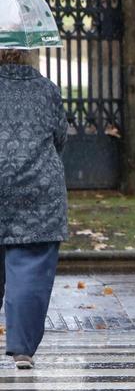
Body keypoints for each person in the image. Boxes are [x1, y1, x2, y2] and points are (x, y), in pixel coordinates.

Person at [0, 48, 68, 371]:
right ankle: (22, 349)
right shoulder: (46, 89)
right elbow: (60, 136)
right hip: (38, 188)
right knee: (31, 264)